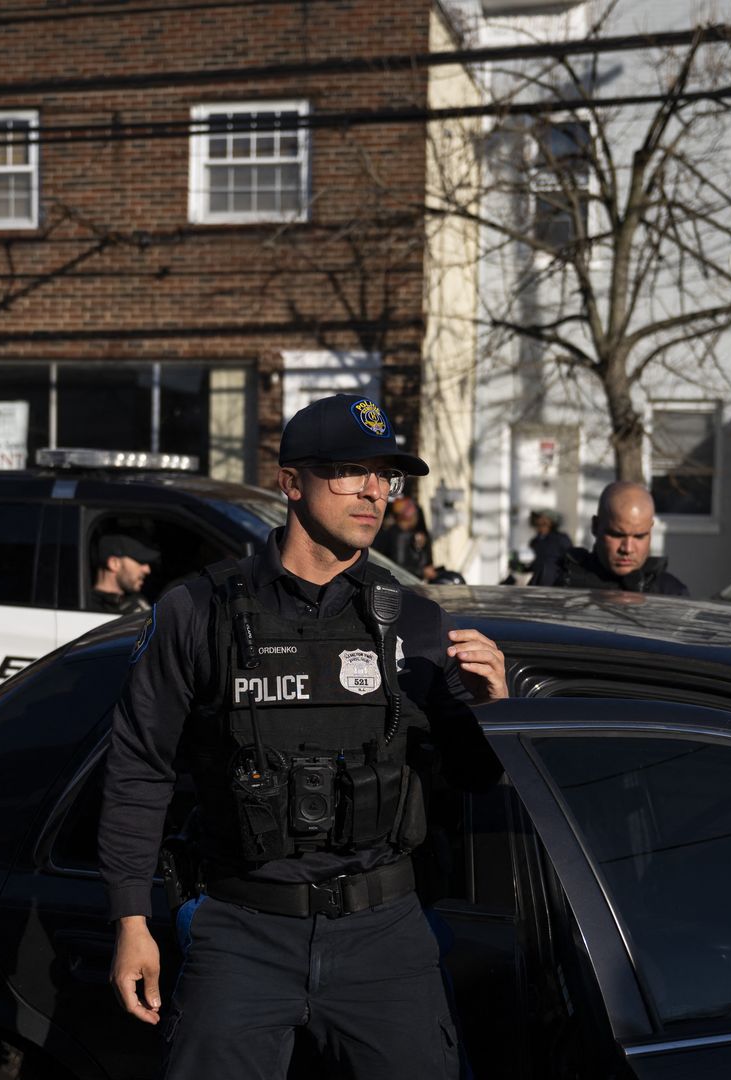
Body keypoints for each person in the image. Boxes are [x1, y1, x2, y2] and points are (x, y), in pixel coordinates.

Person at [101, 393, 508, 1078]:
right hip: (242, 929)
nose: (374, 491)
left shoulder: (415, 620)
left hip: (385, 935)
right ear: (292, 483)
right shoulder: (197, 610)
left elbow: (472, 778)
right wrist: (130, 920)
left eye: (386, 476)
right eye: (351, 471)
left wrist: (493, 709)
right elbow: (139, 766)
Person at [553, 481, 690, 595]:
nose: (628, 549)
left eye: (639, 536)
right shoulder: (554, 578)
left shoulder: (671, 592)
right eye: (617, 535)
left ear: (650, 530)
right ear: (595, 527)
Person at [92, 533, 159, 614]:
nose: (147, 570)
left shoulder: (137, 601)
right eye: (141, 562)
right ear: (114, 563)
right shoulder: (88, 607)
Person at [375, 496, 431, 579]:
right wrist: (422, 572)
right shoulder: (399, 535)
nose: (417, 517)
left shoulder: (406, 533)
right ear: (408, 516)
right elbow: (399, 567)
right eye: (415, 514)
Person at [525, 509, 571, 587]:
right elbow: (536, 563)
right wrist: (523, 568)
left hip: (555, 583)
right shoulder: (535, 541)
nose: (539, 522)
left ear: (550, 522)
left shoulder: (561, 538)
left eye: (543, 520)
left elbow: (568, 561)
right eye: (538, 520)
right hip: (538, 582)